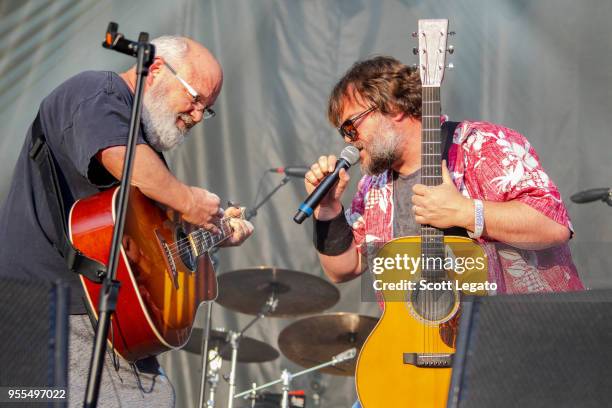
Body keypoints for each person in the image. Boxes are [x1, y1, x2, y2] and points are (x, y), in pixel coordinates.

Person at [305, 55, 584, 408]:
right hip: (414, 364)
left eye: (351, 126)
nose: (349, 140)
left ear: (392, 107)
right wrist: (328, 209)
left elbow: (555, 224)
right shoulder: (373, 186)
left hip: (514, 355)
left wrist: (467, 212)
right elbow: (342, 268)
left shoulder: (485, 145)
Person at [0, 36, 253, 406]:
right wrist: (187, 200)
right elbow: (117, 153)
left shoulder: (145, 155)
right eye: (195, 98)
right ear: (154, 71)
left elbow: (149, 254)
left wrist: (210, 234)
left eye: (207, 109)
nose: (198, 116)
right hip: (63, 318)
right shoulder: (96, 92)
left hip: (88, 322)